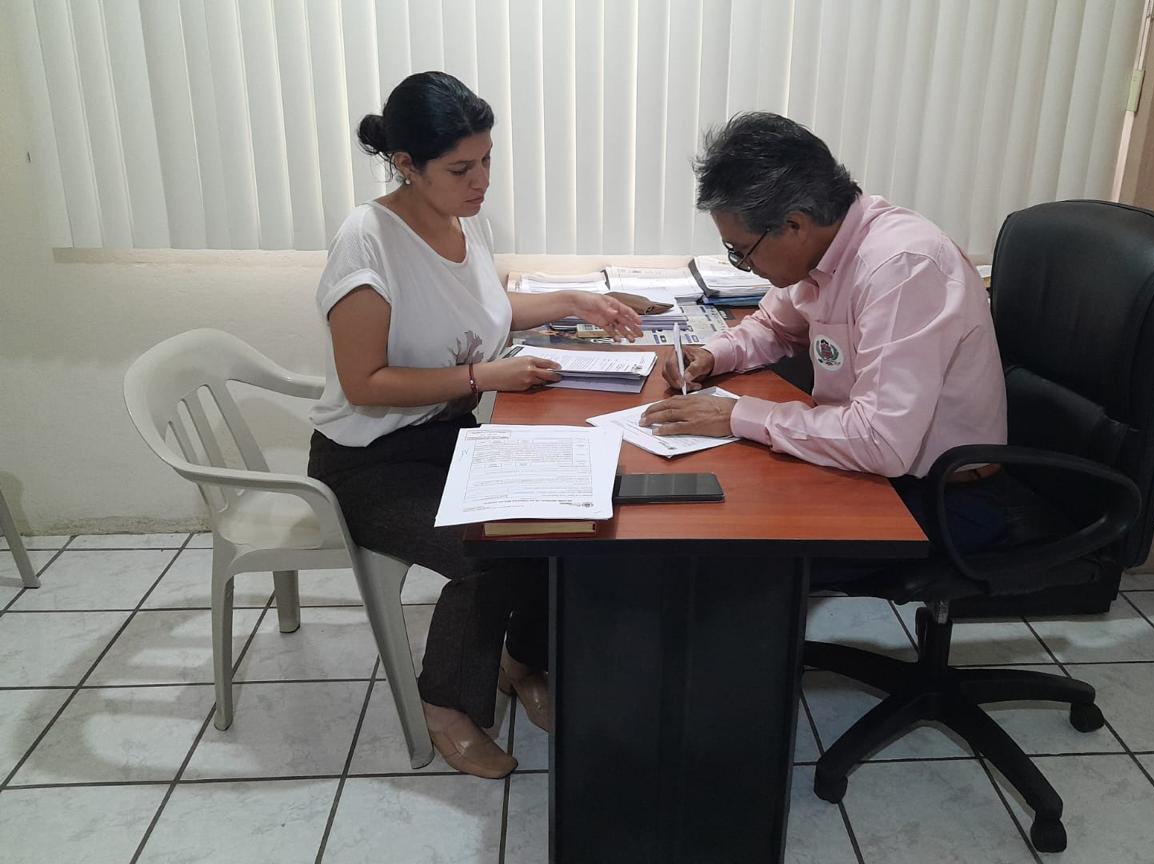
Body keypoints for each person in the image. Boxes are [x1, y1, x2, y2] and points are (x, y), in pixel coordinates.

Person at [307, 71, 641, 779]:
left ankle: (521, 662)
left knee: (564, 520)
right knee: (487, 549)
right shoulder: (367, 241)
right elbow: (364, 382)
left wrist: (574, 301)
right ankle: (446, 707)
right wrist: (481, 378)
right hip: (370, 461)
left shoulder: (465, 221)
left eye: (487, 160)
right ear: (407, 164)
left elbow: (485, 310)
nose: (481, 180)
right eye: (462, 169)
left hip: (446, 435)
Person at [640, 112, 1018, 572]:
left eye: (742, 251)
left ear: (794, 225)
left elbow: (881, 441)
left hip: (939, 498)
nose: (744, 265)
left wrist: (736, 415)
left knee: (728, 557)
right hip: (864, 466)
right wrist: (711, 355)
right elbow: (774, 327)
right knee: (708, 514)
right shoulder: (822, 251)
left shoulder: (902, 266)